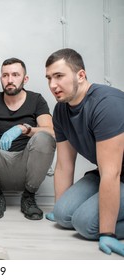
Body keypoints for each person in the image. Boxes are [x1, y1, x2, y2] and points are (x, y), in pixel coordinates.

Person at [45, 48, 124, 256]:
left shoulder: (107, 105)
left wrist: (108, 232)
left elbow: (111, 173)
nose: (53, 85)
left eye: (59, 76)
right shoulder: (61, 110)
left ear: (81, 75)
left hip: (114, 173)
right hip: (107, 173)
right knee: (63, 216)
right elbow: (64, 165)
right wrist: (60, 208)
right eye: (49, 78)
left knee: (85, 224)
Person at [0, 58, 56, 220]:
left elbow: (51, 131)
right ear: (1, 78)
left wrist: (23, 128)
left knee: (44, 138)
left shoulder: (36, 100)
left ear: (25, 79)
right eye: (5, 75)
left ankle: (29, 197)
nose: (10, 80)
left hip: (26, 167)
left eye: (15, 75)